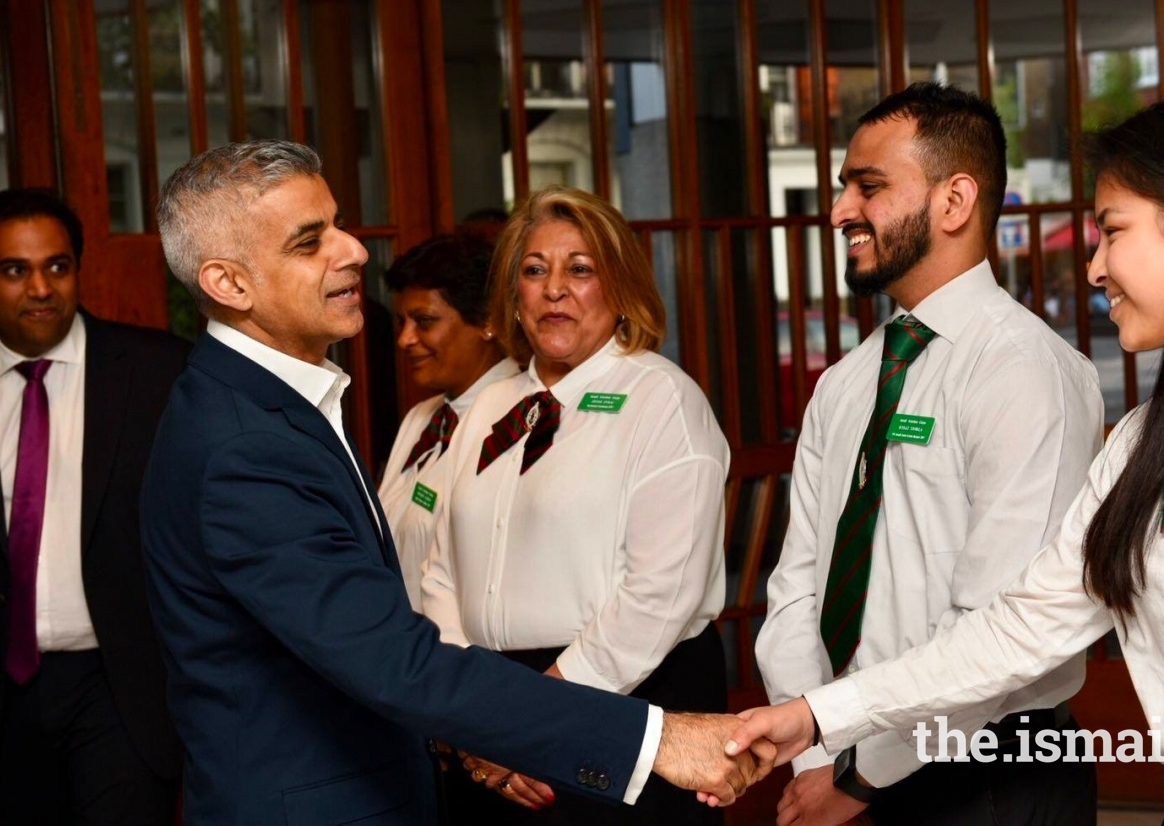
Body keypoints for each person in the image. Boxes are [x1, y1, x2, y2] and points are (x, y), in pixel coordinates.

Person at [140, 140, 771, 826]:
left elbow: (658, 591)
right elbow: (397, 646)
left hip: (533, 708)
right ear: (229, 283)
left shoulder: (276, 408)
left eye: (340, 224)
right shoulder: (247, 444)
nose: (353, 251)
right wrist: (656, 738)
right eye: (309, 241)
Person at [727, 94, 1164, 826]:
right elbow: (1013, 630)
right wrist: (817, 718)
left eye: (1113, 233)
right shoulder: (1143, 450)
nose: (1092, 269)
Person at [753, 83, 1103, 826]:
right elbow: (795, 588)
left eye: (868, 187)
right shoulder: (846, 383)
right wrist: (817, 752)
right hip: (840, 755)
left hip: (992, 770)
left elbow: (999, 627)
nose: (842, 210)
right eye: (845, 187)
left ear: (955, 201)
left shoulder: (1027, 372)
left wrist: (858, 780)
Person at [420, 186, 729, 825]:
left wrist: (534, 724)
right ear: (513, 294)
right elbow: (441, 572)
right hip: (489, 708)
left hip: (627, 700)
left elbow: (658, 597)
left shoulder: (662, 401)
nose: (554, 289)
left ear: (619, 288)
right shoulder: (487, 405)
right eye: (534, 271)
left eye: (580, 269)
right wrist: (465, 713)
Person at [0, 189, 188, 824]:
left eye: (57, 266)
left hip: (120, 688)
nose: (40, 288)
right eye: (14, 270)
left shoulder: (158, 373)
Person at [379, 234, 517, 609]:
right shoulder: (423, 417)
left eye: (424, 321)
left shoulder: (518, 421)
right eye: (402, 322)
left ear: (489, 321)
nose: (406, 339)